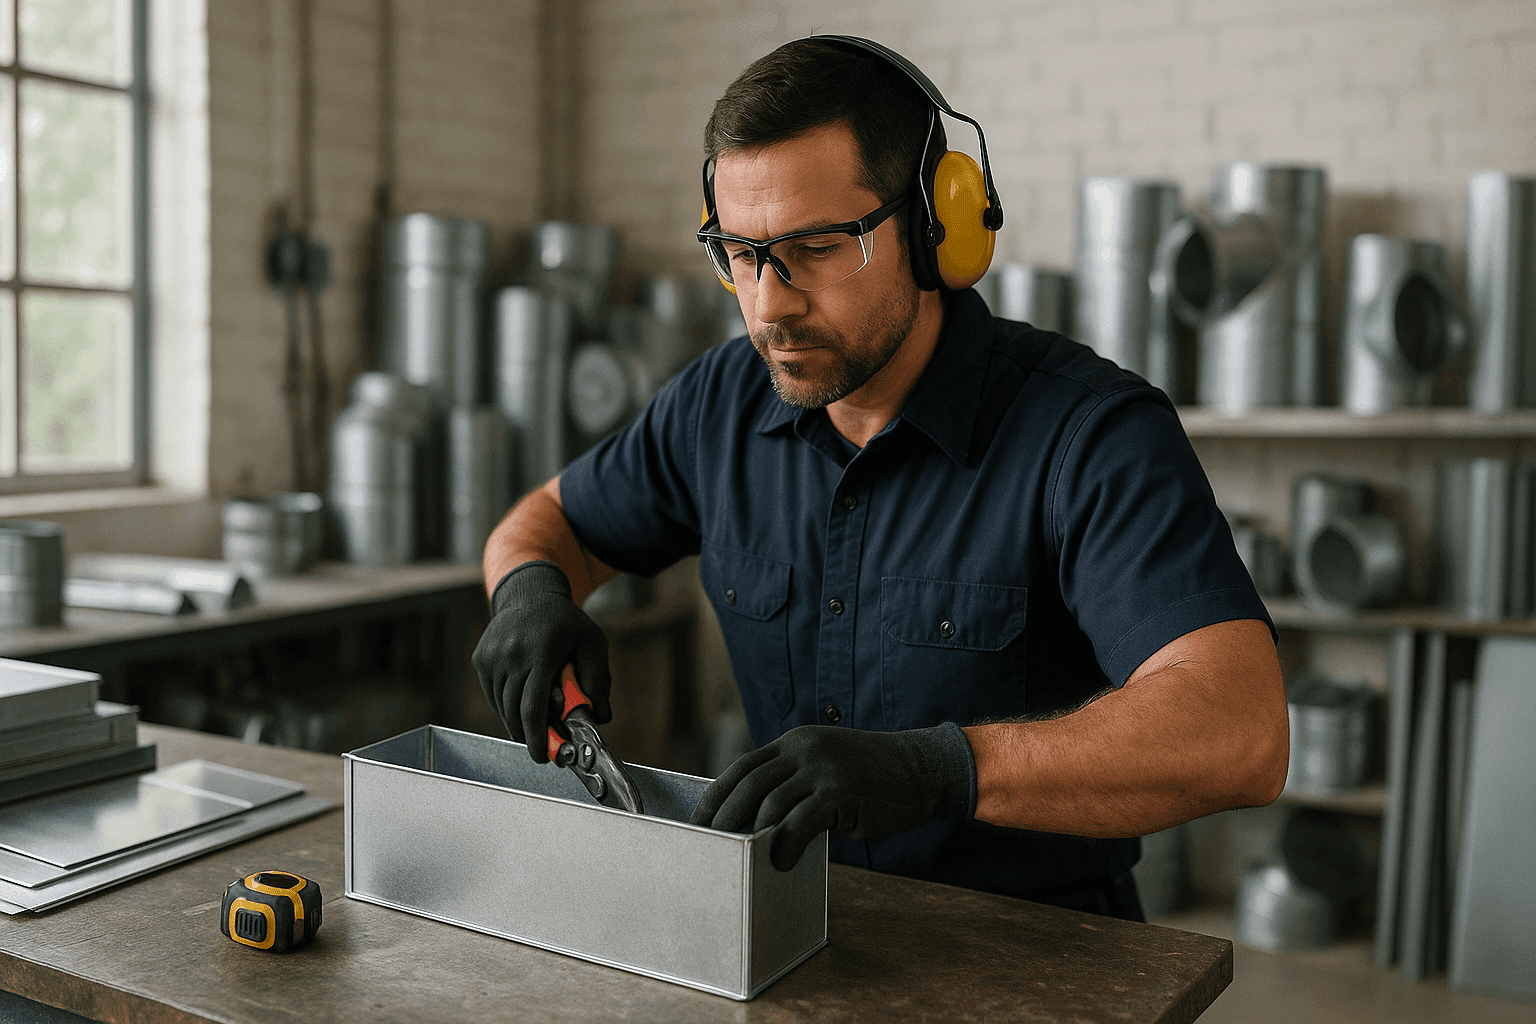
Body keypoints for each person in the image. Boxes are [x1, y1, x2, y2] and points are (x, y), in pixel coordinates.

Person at [473, 35, 1289, 922]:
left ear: (938, 226)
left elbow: (1240, 732)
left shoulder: (1087, 435)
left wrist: (938, 770)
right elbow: (547, 521)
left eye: (816, 247)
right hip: (798, 932)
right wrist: (526, 595)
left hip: (1042, 958)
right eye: (739, 254)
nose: (768, 303)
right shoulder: (717, 405)